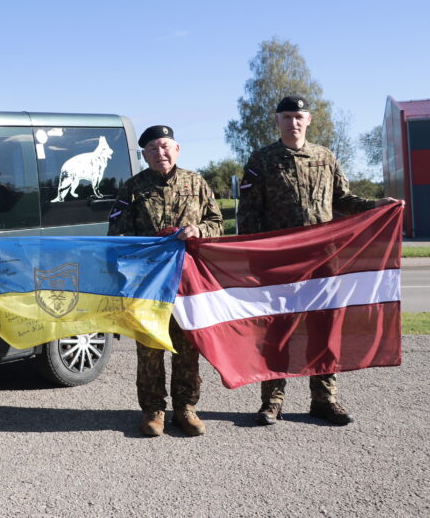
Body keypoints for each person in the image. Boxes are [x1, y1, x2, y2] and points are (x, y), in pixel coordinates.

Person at [237, 95, 402, 426]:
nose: (293, 122)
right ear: (277, 121)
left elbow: (342, 199)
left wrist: (375, 205)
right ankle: (272, 401)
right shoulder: (262, 160)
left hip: (324, 260)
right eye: (286, 117)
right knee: (277, 330)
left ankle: (324, 400)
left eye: (298, 117)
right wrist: (255, 258)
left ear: (308, 120)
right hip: (280, 261)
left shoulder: (325, 157)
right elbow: (249, 214)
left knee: (324, 328)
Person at [108, 125, 223, 436]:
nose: (160, 153)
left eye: (165, 146)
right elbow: (116, 234)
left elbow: (217, 223)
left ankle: (186, 408)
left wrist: (199, 230)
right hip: (148, 281)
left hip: (188, 279)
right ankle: (153, 410)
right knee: (150, 346)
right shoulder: (133, 188)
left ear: (177, 149)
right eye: (153, 149)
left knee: (187, 345)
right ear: (144, 155)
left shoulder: (196, 182)